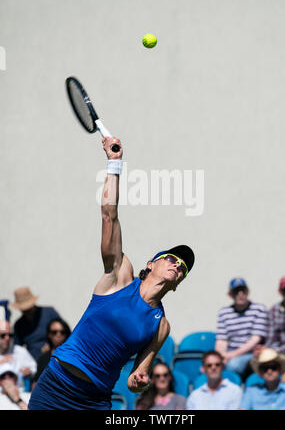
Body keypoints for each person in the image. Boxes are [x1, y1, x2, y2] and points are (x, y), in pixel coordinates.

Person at [28, 136, 195, 410]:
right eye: (172, 258)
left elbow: (135, 377)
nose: (177, 265)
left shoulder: (160, 325)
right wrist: (114, 165)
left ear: (178, 284)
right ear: (151, 263)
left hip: (94, 401)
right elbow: (109, 215)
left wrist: (139, 380)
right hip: (56, 387)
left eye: (183, 268)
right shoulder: (119, 276)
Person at [215, 277, 267, 378]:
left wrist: (230, 356)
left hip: (252, 354)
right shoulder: (224, 313)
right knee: (208, 367)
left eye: (243, 290)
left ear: (248, 292)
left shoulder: (259, 309)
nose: (240, 294)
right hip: (229, 355)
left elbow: (255, 340)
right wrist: (219, 358)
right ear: (230, 295)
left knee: (233, 365)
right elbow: (221, 341)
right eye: (236, 291)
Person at [12, 286, 61, 360]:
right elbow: (17, 348)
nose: (27, 311)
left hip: (54, 356)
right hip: (33, 363)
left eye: (28, 308)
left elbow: (64, 333)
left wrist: (53, 344)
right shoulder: (19, 324)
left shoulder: (49, 313)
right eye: (24, 309)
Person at [32, 318, 71, 388]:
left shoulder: (73, 356)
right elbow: (36, 384)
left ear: (67, 334)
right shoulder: (43, 359)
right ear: (49, 334)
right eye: (54, 332)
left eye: (62, 332)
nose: (58, 335)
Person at [0, 318, 37, 389]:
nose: (7, 338)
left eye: (10, 335)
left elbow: (34, 369)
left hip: (20, 394)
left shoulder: (20, 351)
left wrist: (29, 372)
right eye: (3, 335)